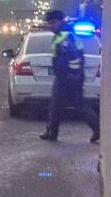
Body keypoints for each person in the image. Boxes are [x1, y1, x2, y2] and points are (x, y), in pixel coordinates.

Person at [40, 9, 100, 143]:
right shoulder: (66, 34)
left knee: (56, 105)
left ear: (60, 21)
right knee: (76, 104)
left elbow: (73, 57)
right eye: (49, 22)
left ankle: (52, 133)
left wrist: (69, 74)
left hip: (66, 77)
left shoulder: (65, 37)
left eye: (53, 22)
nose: (51, 25)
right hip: (72, 76)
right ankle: (97, 129)